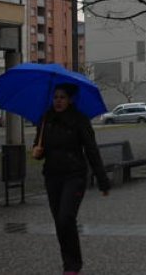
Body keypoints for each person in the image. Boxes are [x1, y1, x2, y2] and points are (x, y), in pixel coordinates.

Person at [33, 84, 110, 275]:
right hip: (52, 176)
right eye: (55, 97)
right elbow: (39, 145)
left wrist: (102, 180)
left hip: (74, 175)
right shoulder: (45, 119)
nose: (58, 101)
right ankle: (68, 260)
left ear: (70, 100)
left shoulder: (80, 120)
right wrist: (37, 151)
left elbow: (91, 150)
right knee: (59, 221)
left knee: (66, 217)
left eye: (62, 97)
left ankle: (73, 264)